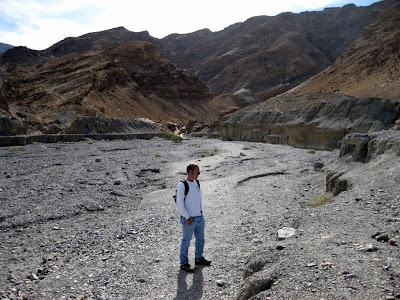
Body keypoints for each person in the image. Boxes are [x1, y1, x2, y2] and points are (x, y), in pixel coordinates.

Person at [176, 163, 211, 272]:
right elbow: (179, 203)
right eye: (197, 172)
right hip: (189, 220)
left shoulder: (197, 183)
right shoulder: (182, 185)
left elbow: (199, 198)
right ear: (190, 172)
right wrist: (187, 217)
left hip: (199, 218)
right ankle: (184, 263)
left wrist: (201, 210)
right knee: (186, 241)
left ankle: (199, 258)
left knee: (201, 239)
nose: (199, 174)